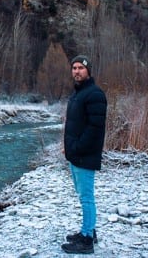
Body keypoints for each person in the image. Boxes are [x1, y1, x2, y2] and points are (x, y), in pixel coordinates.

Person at [61, 55, 107, 255]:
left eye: (81, 68)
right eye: (74, 68)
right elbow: (74, 125)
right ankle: (87, 231)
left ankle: (87, 240)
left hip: (85, 155)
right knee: (83, 197)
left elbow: (95, 128)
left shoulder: (94, 94)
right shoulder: (78, 94)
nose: (77, 71)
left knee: (87, 198)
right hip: (76, 154)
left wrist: (77, 147)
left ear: (88, 71)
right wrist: (69, 148)